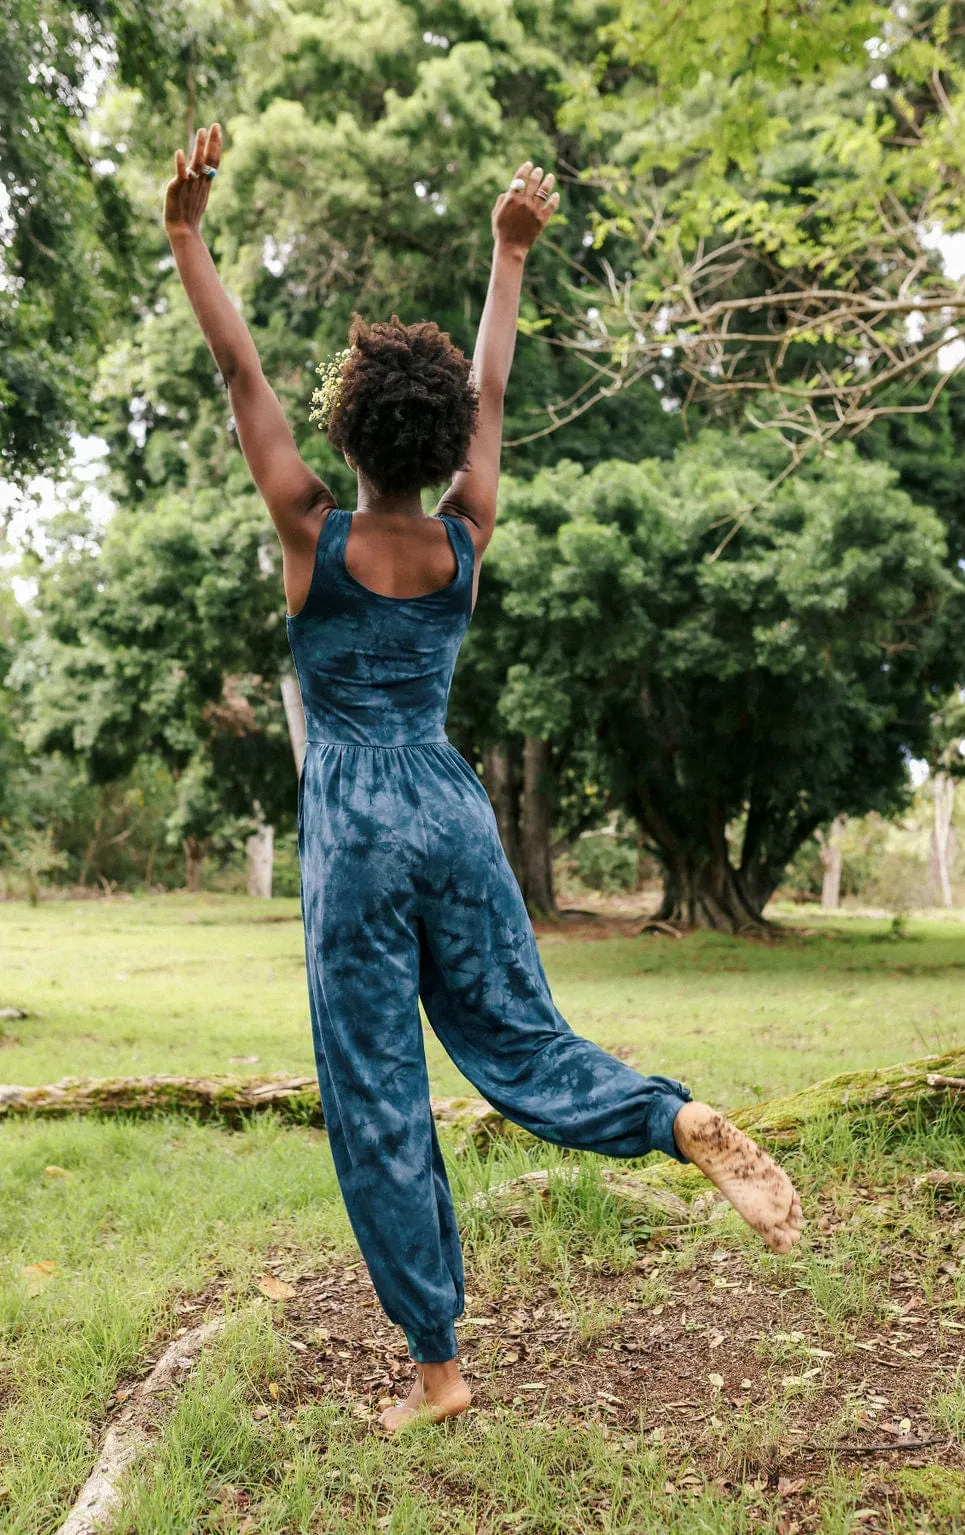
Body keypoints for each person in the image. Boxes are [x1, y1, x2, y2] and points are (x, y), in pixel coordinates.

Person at [164, 123, 804, 1434]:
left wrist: (187, 230)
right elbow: (497, 395)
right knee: (524, 1038)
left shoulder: (308, 528)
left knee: (381, 1097)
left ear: (346, 431)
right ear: (440, 439)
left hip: (356, 837)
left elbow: (239, 370)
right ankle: (673, 1119)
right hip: (453, 819)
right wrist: (509, 254)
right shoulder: (466, 536)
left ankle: (439, 1370)